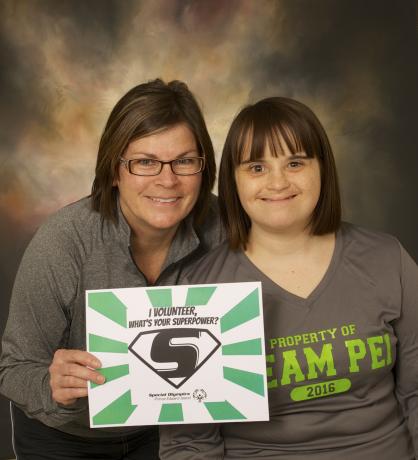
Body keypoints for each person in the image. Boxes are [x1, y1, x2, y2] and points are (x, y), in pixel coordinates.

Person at [159, 97, 418, 459]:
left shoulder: (387, 259)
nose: (277, 182)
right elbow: (190, 441)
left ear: (322, 169)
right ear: (233, 181)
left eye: (295, 162)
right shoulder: (200, 289)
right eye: (256, 167)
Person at [0, 78, 224, 459]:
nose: (167, 180)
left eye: (184, 161)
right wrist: (50, 385)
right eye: (145, 162)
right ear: (115, 170)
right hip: (65, 436)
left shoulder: (225, 225)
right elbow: (14, 367)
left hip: (165, 429)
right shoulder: (64, 241)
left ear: (203, 168)